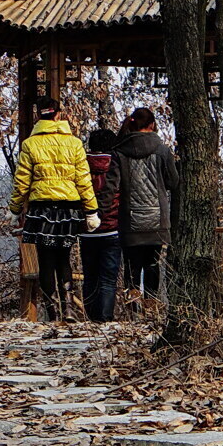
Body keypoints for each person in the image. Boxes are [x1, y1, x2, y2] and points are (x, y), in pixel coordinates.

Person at [8, 97, 100, 322]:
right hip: (68, 209)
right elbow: (83, 180)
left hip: (41, 208)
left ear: (39, 115)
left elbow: (22, 182)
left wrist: (14, 209)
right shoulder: (74, 143)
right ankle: (69, 308)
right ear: (59, 114)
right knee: (64, 257)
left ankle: (53, 312)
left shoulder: (30, 145)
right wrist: (91, 211)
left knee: (46, 260)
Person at [113, 107, 179, 316]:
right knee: (152, 265)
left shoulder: (119, 151)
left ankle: (132, 310)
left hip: (129, 218)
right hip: (156, 218)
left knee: (131, 265)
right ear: (152, 125)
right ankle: (151, 309)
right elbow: (173, 181)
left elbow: (114, 185)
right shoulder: (162, 150)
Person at [80, 129, 121, 322]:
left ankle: (90, 317)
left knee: (89, 276)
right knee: (108, 279)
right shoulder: (116, 164)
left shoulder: (81, 164)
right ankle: (105, 318)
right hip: (112, 229)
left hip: (86, 229)